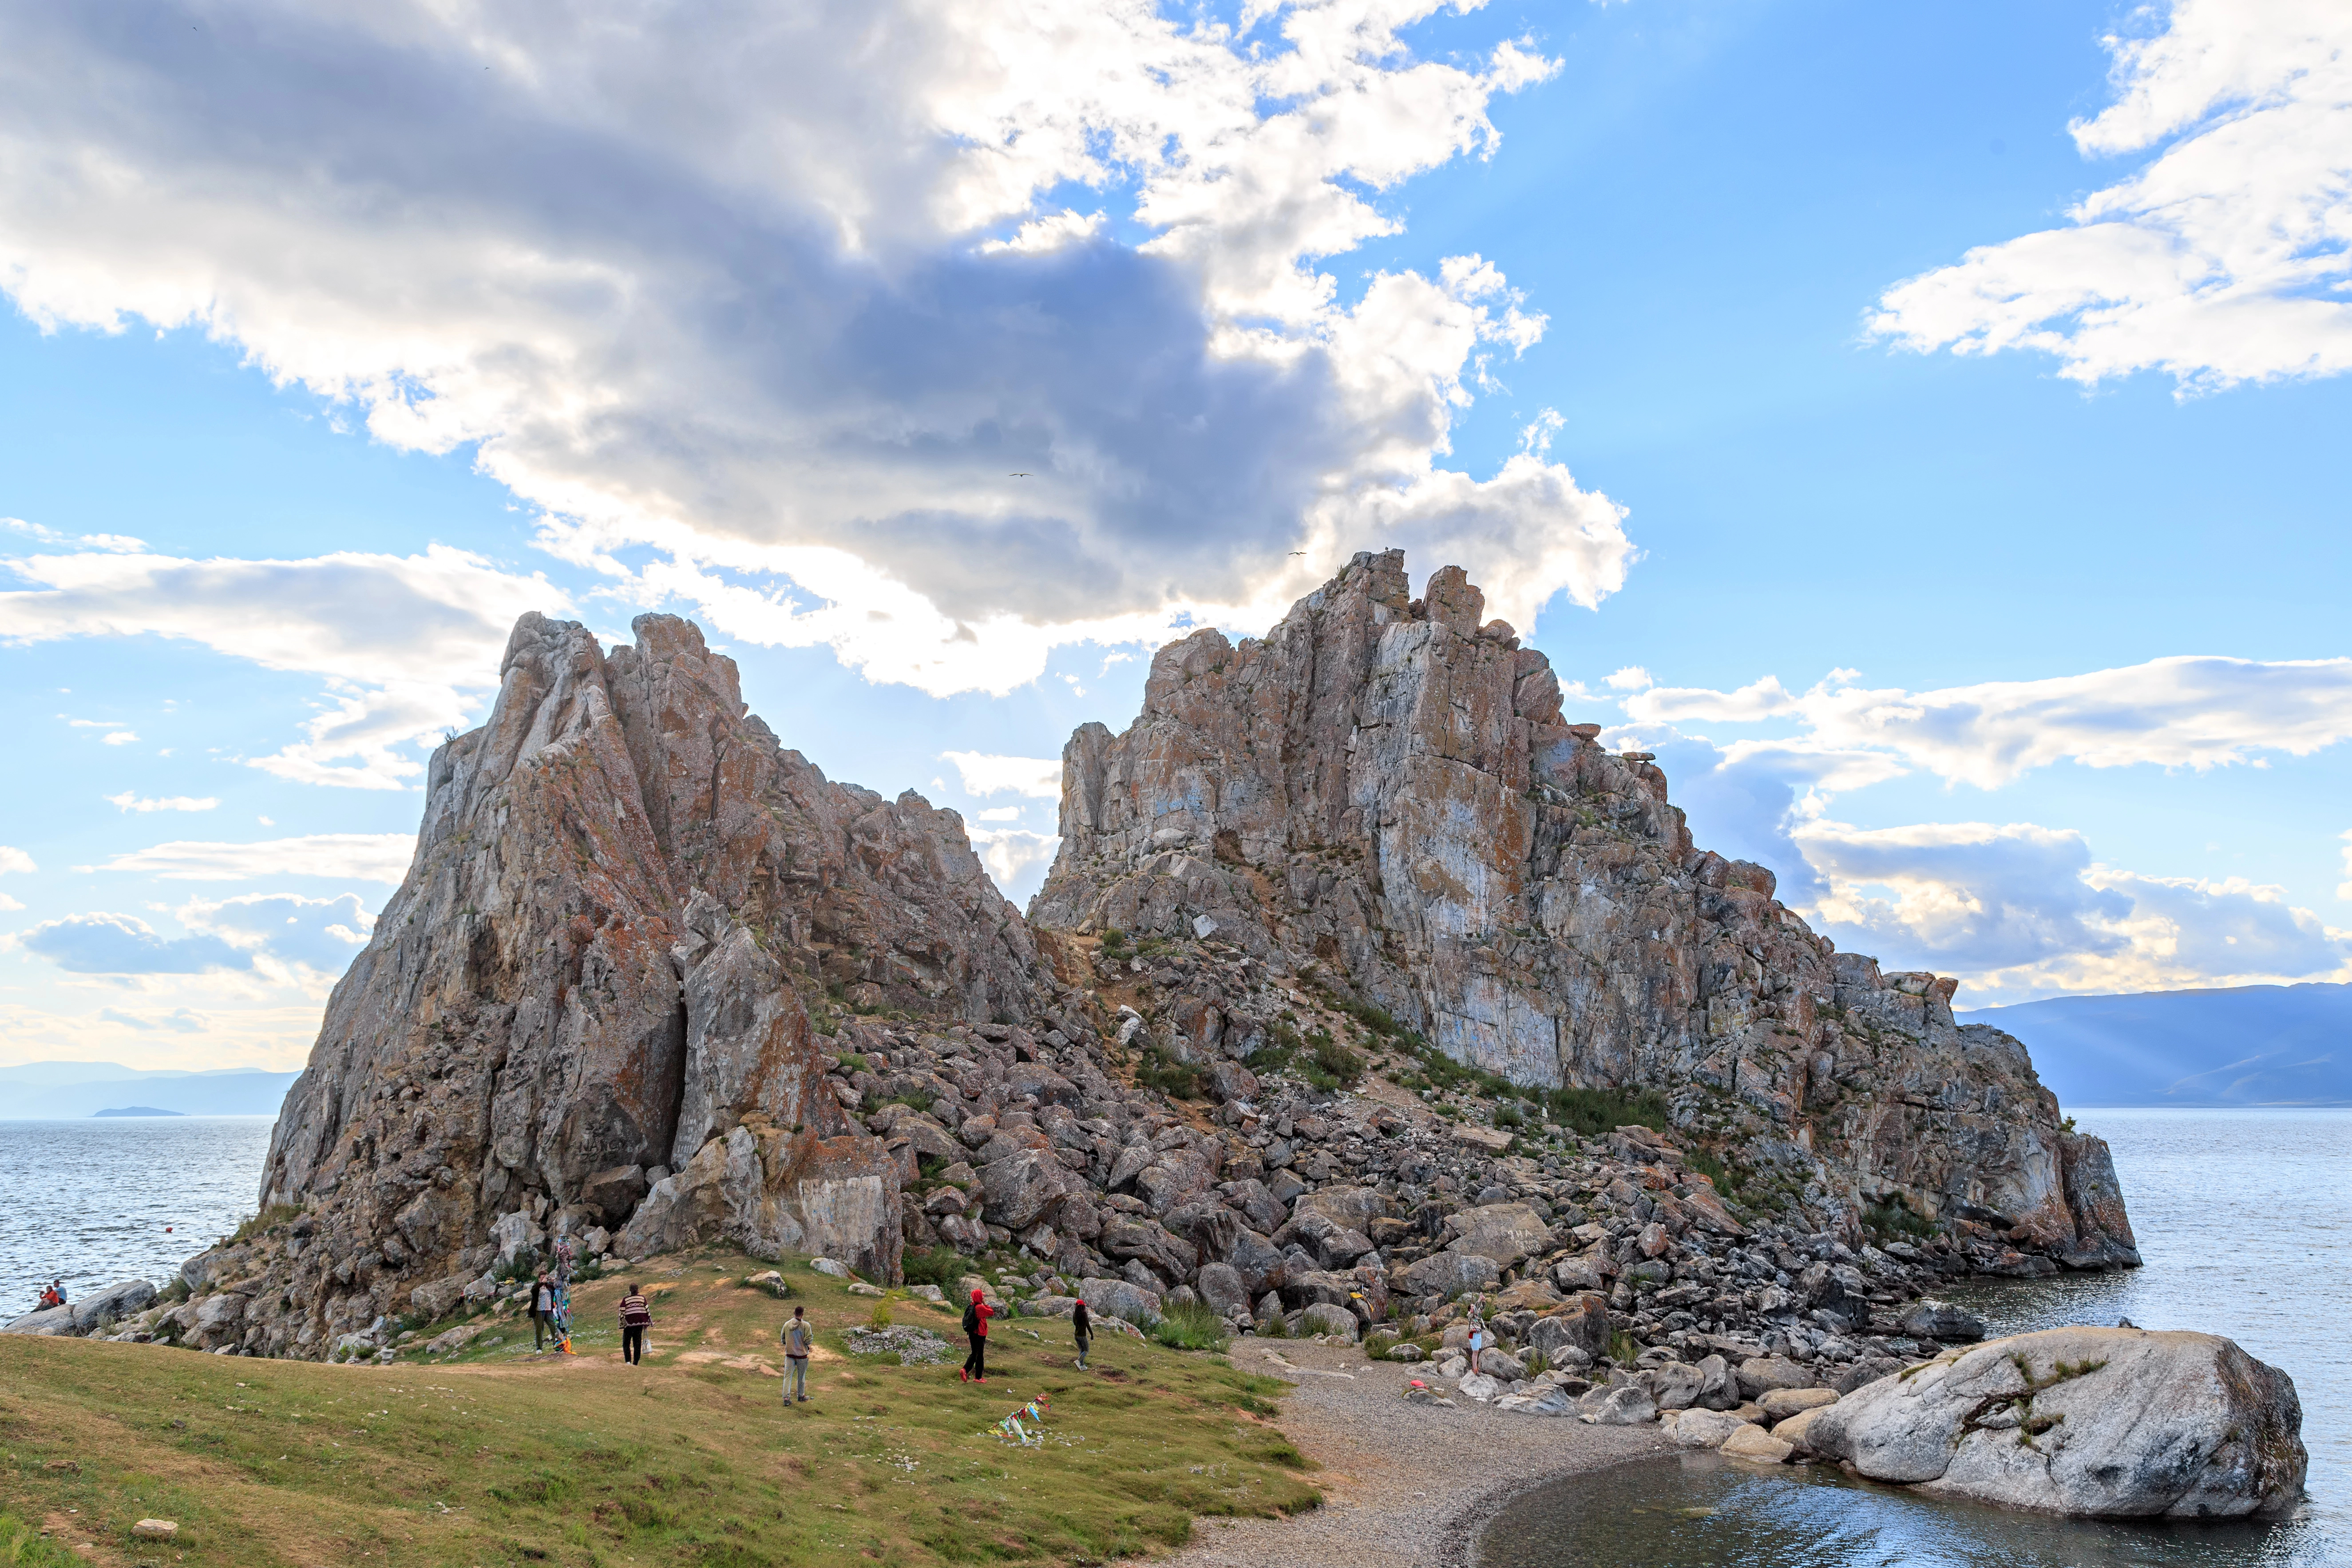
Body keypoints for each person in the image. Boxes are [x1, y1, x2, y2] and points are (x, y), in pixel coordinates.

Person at [781, 1305, 813, 1404]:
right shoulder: (806, 1326)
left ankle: (786, 1398)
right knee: (801, 1377)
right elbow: (808, 1340)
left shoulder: (787, 1325)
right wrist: (807, 1346)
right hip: (802, 1356)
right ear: (802, 1314)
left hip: (790, 1355)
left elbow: (783, 1338)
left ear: (794, 1313)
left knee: (787, 1376)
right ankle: (801, 1396)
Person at [960, 1287, 993, 1383]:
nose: (983, 1298)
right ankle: (978, 1378)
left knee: (974, 1354)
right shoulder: (980, 1308)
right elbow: (991, 1312)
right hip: (979, 1334)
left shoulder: (971, 1305)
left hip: (972, 1334)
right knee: (980, 1356)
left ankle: (965, 1370)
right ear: (980, 1298)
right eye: (982, 1296)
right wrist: (985, 1303)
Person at [618, 1283, 652, 1365]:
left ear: (630, 1290)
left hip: (629, 1326)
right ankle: (635, 1363)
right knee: (637, 1344)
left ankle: (628, 1362)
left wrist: (625, 1324)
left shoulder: (626, 1300)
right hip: (639, 1326)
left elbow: (622, 1313)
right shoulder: (642, 1299)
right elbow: (647, 1311)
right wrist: (647, 1322)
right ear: (638, 1290)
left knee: (626, 1343)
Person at [530, 1271, 554, 1350]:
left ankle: (557, 1345)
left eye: (545, 1278)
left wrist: (553, 1281)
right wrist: (541, 1284)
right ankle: (539, 1348)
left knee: (553, 1326)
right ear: (539, 1279)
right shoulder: (536, 1286)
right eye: (542, 1278)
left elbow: (558, 1289)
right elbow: (534, 1291)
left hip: (548, 1310)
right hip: (539, 1310)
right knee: (539, 1329)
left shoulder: (549, 1287)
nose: (544, 1279)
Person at [1071, 1297, 1092, 1370]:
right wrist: (1092, 1335)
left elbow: (1074, 1323)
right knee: (1086, 1350)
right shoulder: (1084, 1314)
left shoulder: (1075, 1314)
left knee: (1082, 1350)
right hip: (1082, 1336)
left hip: (1076, 1335)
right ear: (1083, 1306)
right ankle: (1079, 1361)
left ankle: (1082, 1365)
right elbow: (1088, 1325)